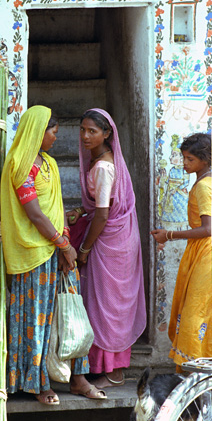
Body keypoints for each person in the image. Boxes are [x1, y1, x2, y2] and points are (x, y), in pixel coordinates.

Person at [1, 105, 105, 405]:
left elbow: (55, 208)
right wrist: (62, 244)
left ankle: (78, 378)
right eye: (52, 133)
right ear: (37, 131)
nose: (55, 139)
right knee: (38, 318)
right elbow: (33, 213)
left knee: (71, 314)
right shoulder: (20, 164)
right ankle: (38, 383)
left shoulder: (48, 163)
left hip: (57, 249)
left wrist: (64, 245)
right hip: (33, 253)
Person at [67, 109, 146, 388]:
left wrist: (85, 249)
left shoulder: (103, 167)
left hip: (110, 242)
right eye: (82, 129)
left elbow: (102, 214)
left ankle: (112, 371)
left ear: (107, 134)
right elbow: (103, 206)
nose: (86, 136)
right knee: (102, 303)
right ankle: (101, 366)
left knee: (106, 305)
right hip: (115, 236)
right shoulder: (98, 160)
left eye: (92, 131)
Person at [151, 132, 211, 371]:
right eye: (184, 158)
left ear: (205, 160)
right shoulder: (204, 181)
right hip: (200, 252)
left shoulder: (204, 187)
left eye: (190, 159)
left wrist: (170, 235)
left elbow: (208, 229)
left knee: (194, 311)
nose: (185, 164)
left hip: (206, 253)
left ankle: (193, 369)